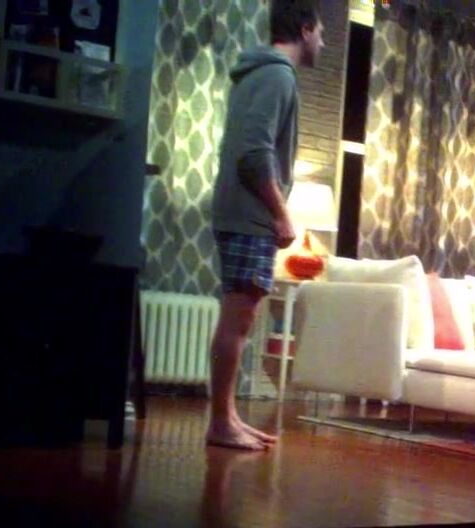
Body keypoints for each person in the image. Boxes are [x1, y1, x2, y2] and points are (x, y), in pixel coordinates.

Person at [207, 0, 325, 450]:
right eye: (321, 33)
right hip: (250, 214)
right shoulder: (277, 75)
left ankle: (228, 417)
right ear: (305, 28)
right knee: (238, 320)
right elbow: (254, 153)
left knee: (239, 318)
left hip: (242, 212)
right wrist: (281, 213)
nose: (323, 43)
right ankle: (221, 423)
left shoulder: (261, 73)